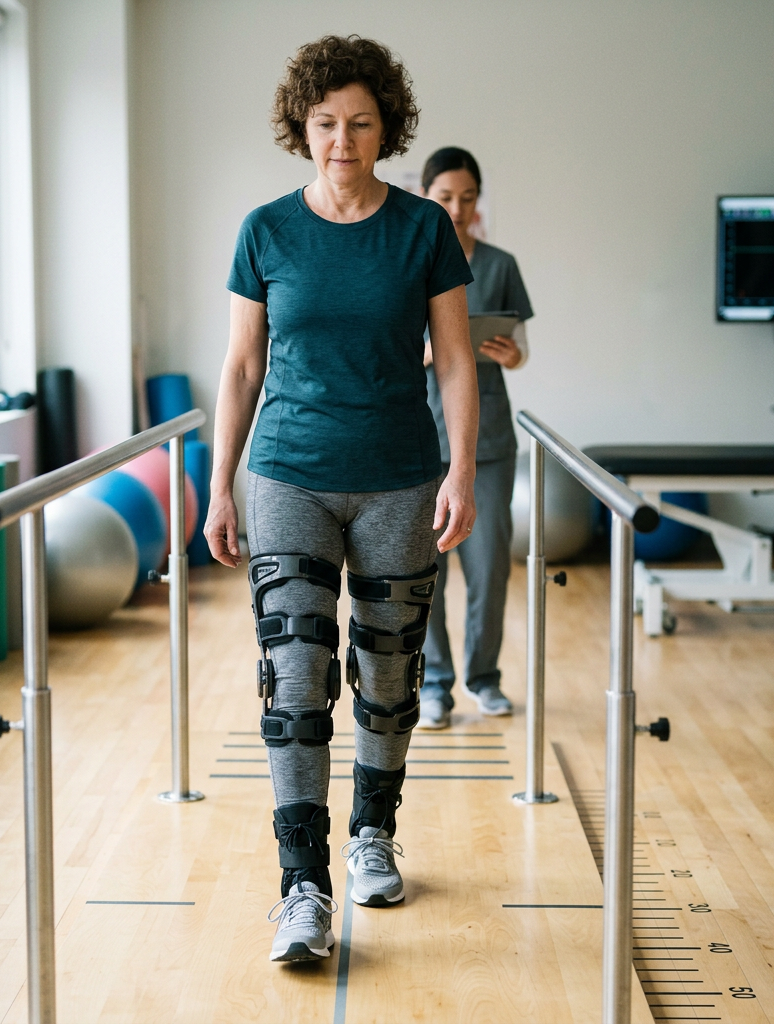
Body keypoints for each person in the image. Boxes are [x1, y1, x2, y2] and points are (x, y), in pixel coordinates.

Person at [204, 36, 479, 965]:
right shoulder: (267, 230)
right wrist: (219, 484)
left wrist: (462, 469)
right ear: (302, 128)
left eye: (361, 123)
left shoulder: (422, 231)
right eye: (326, 123)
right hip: (287, 474)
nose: (342, 140)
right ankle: (303, 886)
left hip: (400, 475)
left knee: (392, 674)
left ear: (385, 128)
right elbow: (242, 367)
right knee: (295, 679)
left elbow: (456, 365)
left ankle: (372, 832)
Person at [416, 147, 534, 731]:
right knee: (426, 573)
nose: (457, 208)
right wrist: (436, 352)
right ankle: (433, 685)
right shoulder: (408, 258)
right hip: (419, 441)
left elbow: (520, 348)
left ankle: (484, 680)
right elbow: (390, 347)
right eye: (445, 197)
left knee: (488, 570)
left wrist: (512, 354)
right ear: (427, 196)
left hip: (488, 443)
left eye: (466, 197)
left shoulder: (500, 263)